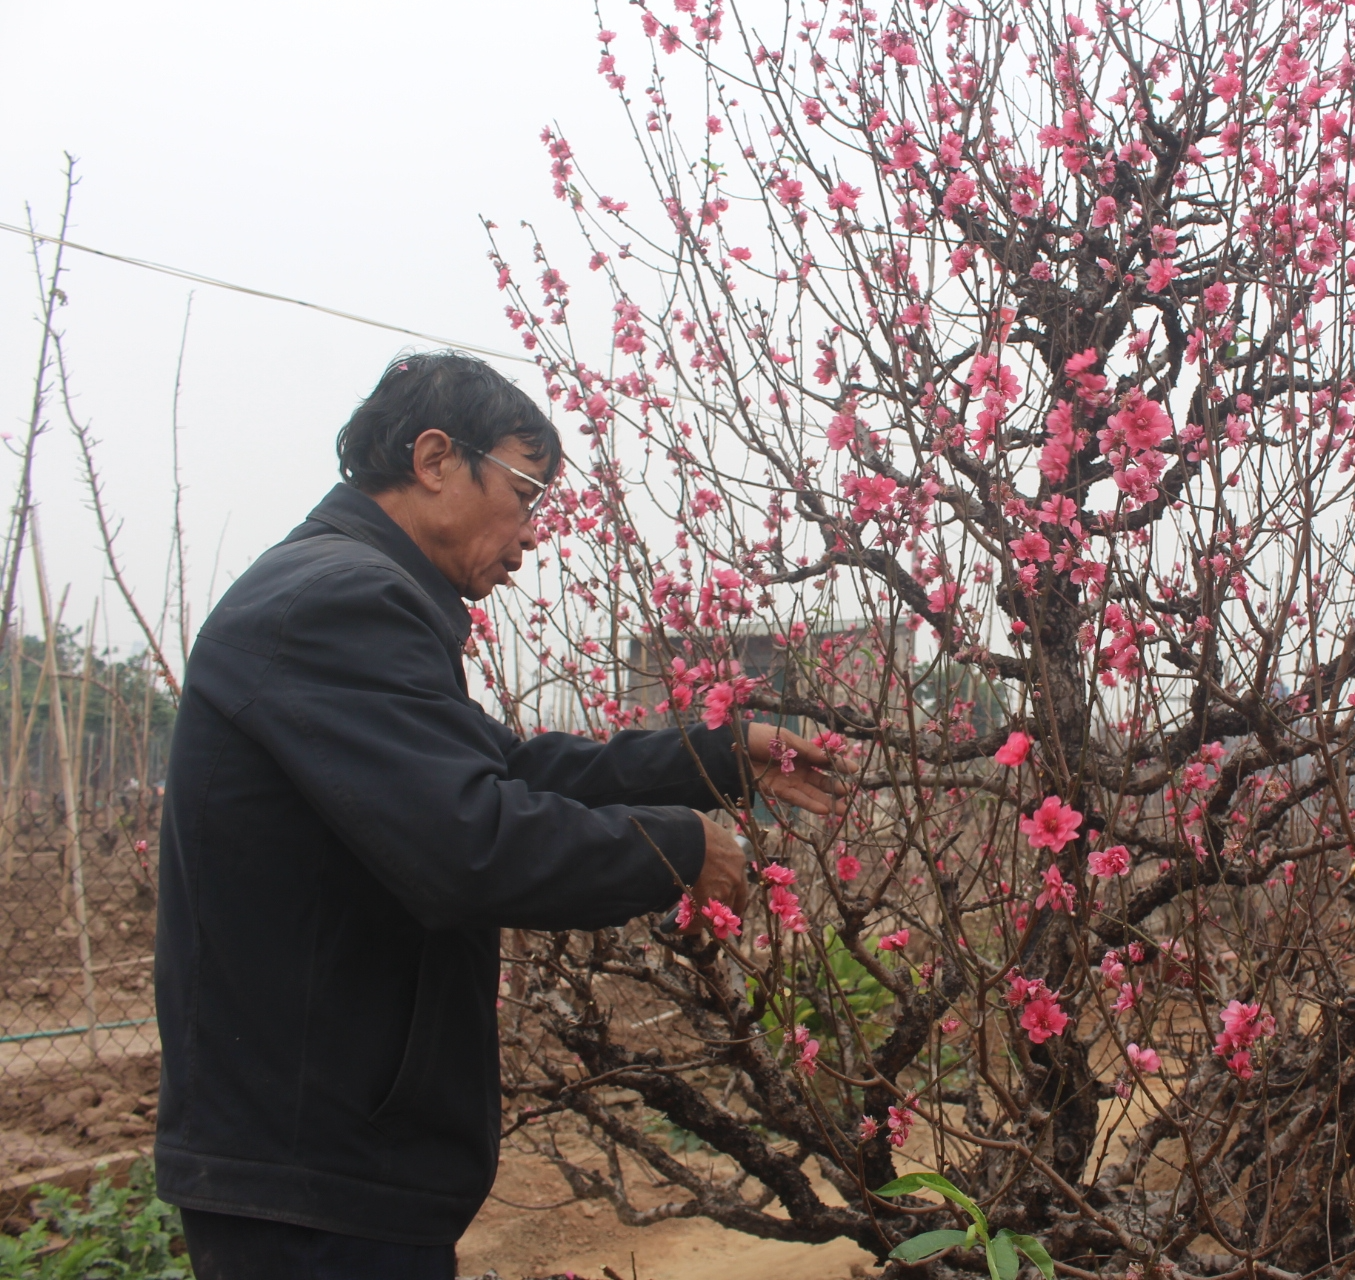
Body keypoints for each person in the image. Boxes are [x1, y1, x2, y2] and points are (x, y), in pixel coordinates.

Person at [152, 351, 845, 1279]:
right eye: (524, 493)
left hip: (324, 1153)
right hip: (313, 1169)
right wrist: (679, 848)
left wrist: (716, 756)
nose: (529, 538)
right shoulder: (335, 603)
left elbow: (507, 767)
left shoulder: (344, 593)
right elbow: (467, 842)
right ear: (436, 459)